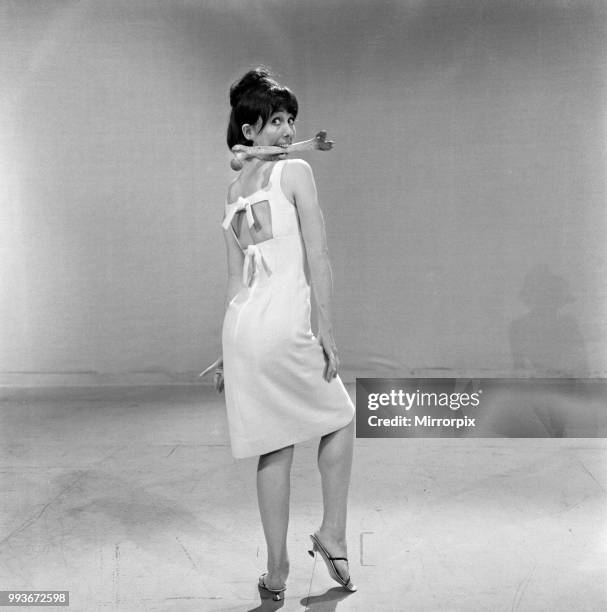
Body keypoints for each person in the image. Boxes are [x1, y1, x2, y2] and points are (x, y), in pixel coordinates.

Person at [208, 67, 356, 600]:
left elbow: (235, 279)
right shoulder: (294, 173)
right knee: (340, 417)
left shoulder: (233, 188)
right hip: (280, 325)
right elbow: (318, 255)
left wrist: (227, 352)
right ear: (248, 131)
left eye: (290, 119)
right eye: (275, 121)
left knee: (275, 446)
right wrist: (327, 330)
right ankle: (332, 535)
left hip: (243, 330)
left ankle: (276, 573)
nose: (288, 130)